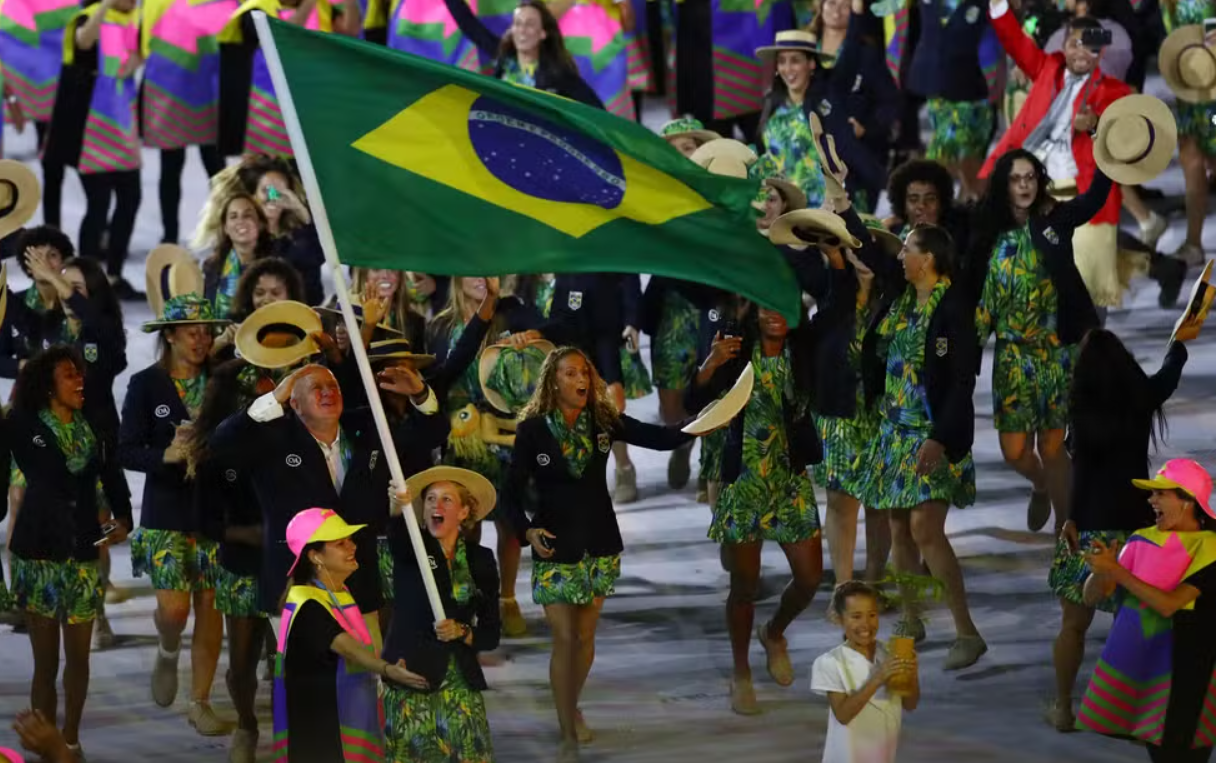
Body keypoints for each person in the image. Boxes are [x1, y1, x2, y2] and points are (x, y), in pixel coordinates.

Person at [501, 347, 696, 761]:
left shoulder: (603, 421)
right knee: (566, 638)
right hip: (554, 545)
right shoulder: (533, 429)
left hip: (599, 542)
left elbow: (660, 438)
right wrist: (526, 531)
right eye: (571, 373)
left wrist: (705, 422)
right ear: (554, 381)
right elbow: (508, 494)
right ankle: (567, 734)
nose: (581, 379)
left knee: (585, 638)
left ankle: (570, 704)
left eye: (585, 372)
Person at [209, 362, 446, 628]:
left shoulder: (367, 427)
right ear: (295, 403)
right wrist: (274, 398)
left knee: (366, 667)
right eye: (316, 388)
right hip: (297, 580)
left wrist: (420, 394)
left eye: (333, 386)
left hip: (357, 576)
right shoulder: (271, 438)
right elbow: (221, 442)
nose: (327, 393)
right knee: (307, 670)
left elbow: (430, 433)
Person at [1046, 328, 1191, 731]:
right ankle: (1133, 712)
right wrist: (1177, 345)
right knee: (1136, 624)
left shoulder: (1082, 410)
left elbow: (1081, 471)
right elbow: (1169, 375)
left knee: (1073, 626)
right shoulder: (1141, 397)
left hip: (1090, 527)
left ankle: (1062, 707)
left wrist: (1071, 518)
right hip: (1138, 531)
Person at [856, 224, 986, 670]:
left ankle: (967, 632)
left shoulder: (953, 305)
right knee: (898, 528)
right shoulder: (902, 297)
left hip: (933, 433)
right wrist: (840, 203)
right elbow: (869, 248)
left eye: (908, 249)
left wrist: (939, 437)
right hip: (893, 433)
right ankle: (911, 619)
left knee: (926, 530)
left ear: (928, 258)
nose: (901, 257)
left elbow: (961, 381)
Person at [687, 301, 823, 715]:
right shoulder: (735, 351)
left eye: (784, 306)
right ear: (755, 314)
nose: (776, 314)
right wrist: (710, 363)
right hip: (744, 481)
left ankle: (774, 632)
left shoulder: (804, 349)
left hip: (790, 479)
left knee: (810, 579)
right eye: (768, 307)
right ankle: (741, 672)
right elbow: (693, 400)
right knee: (744, 586)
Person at [972, 149, 1109, 533]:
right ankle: (1040, 484)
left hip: (1057, 350)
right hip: (1012, 355)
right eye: (1016, 178)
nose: (1025, 185)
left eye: (1031, 177)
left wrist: (1108, 150)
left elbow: (1094, 199)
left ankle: (1067, 535)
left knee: (1053, 446)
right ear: (1003, 184)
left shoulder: (1055, 219)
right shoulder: (985, 229)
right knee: (1015, 451)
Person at [8, 345, 133, 760]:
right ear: (48, 385)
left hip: (82, 552)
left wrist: (125, 517)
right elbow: (38, 476)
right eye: (68, 374)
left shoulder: (95, 423)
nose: (80, 380)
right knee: (46, 665)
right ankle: (46, 748)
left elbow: (113, 473)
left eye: (80, 373)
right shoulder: (22, 425)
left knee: (78, 660)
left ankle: (71, 741)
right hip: (37, 552)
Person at [119, 294, 230, 733]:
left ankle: (199, 702)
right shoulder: (146, 384)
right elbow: (127, 449)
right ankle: (167, 650)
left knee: (210, 605)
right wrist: (166, 453)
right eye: (192, 332)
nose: (201, 339)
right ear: (170, 336)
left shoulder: (224, 382)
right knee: (174, 611)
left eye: (207, 331)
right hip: (165, 513)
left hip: (213, 511)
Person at [983, 6, 1135, 312]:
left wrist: (1095, 125)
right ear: (1062, 46)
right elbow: (1014, 40)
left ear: (1100, 51)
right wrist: (999, 7)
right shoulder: (1045, 67)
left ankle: (1090, 348)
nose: (1081, 52)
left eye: (1089, 46)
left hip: (1080, 200)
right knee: (1031, 279)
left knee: (1088, 290)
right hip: (1032, 194)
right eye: (1074, 43)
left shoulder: (1113, 90)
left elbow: (1123, 140)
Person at [21, 250, 130, 648]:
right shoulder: (47, 328)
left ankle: (95, 612)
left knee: (94, 529)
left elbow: (102, 342)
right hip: (46, 443)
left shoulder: (103, 335)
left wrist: (63, 284)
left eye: (78, 288)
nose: (67, 293)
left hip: (94, 445)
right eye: (62, 284)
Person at [1077, 460, 1216, 763]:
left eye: (1161, 494)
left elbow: (1169, 604)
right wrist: (1103, 572)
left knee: (1182, 750)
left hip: (1190, 669)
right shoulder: (1142, 540)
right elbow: (1090, 597)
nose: (1152, 500)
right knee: (1162, 749)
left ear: (1188, 500)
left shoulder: (1211, 548)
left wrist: (1118, 571)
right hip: (1146, 665)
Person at [275, 507, 427, 763]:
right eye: (340, 543)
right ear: (315, 556)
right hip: (321, 729)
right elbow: (346, 647)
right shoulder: (307, 602)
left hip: (333, 716)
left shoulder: (337, 591)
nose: (352, 547)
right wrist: (388, 670)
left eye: (350, 540)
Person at [383, 467, 500, 762]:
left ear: (463, 512)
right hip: (411, 674)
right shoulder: (411, 551)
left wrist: (462, 631)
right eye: (431, 499)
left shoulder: (481, 560)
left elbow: (491, 633)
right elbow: (397, 534)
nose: (437, 506)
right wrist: (397, 507)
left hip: (459, 680)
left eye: (447, 500)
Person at [43, 0, 145, 300]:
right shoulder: (87, 17)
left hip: (123, 126)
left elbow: (141, 49)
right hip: (91, 129)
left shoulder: (135, 19)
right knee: (98, 204)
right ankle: (86, 280)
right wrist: (104, 6)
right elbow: (84, 41)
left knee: (130, 200)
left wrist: (136, 60)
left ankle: (114, 275)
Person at [754, 22, 885, 212]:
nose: (787, 68)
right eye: (782, 61)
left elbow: (848, 147)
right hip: (788, 213)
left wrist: (886, 188)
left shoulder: (827, 103)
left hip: (832, 211)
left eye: (795, 60)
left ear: (811, 64)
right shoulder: (771, 105)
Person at [139, 0, 233, 244]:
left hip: (205, 86)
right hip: (174, 85)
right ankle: (171, 234)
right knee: (177, 165)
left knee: (216, 166)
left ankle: (229, 227)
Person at [217, 0, 359, 157]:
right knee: (271, 169)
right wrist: (308, 5)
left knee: (312, 163)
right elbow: (285, 37)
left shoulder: (322, 7)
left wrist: (351, 4)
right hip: (271, 106)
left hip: (314, 100)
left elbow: (350, 33)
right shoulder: (257, 8)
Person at [811, 580, 919, 763]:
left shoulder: (889, 653)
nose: (866, 624)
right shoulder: (830, 662)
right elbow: (843, 716)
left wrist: (912, 674)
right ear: (839, 619)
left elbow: (910, 704)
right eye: (856, 616)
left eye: (872, 615)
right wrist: (878, 678)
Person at [905, 0, 997, 201]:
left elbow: (1000, 41)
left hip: (971, 96)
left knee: (947, 157)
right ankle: (960, 207)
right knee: (957, 162)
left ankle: (941, 207)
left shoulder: (984, 5)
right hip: (936, 89)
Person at [440, 0, 604, 106]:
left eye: (530, 24)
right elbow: (469, 26)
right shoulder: (503, 56)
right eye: (517, 24)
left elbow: (598, 114)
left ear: (542, 33)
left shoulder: (559, 74)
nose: (522, 31)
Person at [0, 0, 73, 229]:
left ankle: (53, 231)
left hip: (59, 84)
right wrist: (11, 96)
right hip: (24, 78)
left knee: (54, 163)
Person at [200, 193, 274, 320]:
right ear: (225, 228)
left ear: (260, 224)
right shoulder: (212, 267)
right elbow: (206, 315)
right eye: (233, 216)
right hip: (219, 338)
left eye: (247, 215)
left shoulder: (275, 266)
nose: (240, 221)